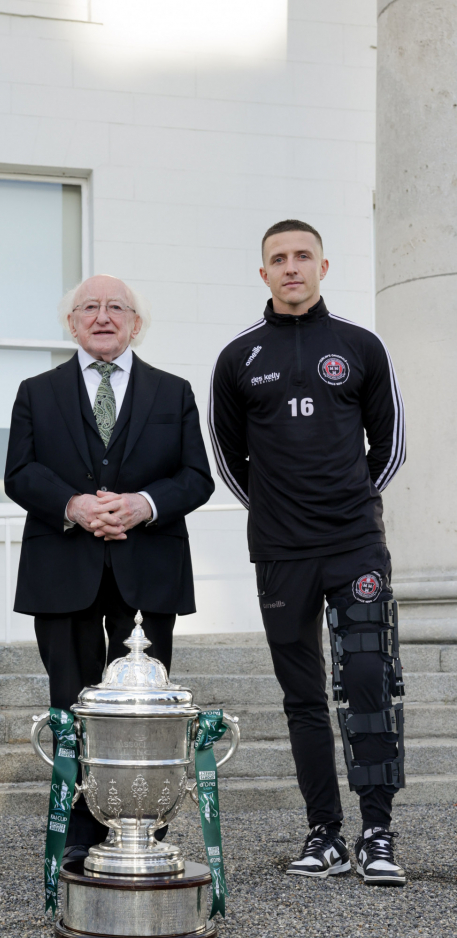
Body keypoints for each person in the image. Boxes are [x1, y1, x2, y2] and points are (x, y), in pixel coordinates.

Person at [209, 219, 407, 886]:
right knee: (303, 698)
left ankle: (377, 831)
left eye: (302, 257)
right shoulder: (239, 358)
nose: (291, 267)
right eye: (277, 259)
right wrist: (276, 514)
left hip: (354, 547)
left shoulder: (360, 347)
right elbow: (228, 459)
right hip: (281, 555)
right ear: (262, 273)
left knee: (368, 683)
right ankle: (323, 832)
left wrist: (350, 506)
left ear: (324, 266)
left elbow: (391, 447)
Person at [5, 275, 214, 861]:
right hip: (62, 565)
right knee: (71, 700)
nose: (102, 316)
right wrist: (74, 505)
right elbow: (20, 472)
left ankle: (143, 821)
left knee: (143, 706)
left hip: (147, 568)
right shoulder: (35, 391)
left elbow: (197, 477)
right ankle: (78, 831)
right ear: (71, 323)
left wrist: (143, 504)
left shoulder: (173, 392)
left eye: (115, 307)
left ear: (136, 323)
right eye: (88, 307)